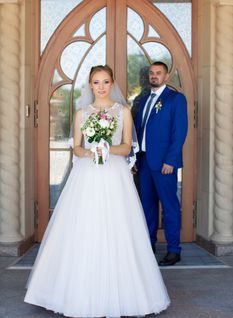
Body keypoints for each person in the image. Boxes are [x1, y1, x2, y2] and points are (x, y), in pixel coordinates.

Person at [24, 65, 170, 317]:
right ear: (90, 85)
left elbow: (127, 147)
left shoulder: (123, 111)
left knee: (118, 227)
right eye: (96, 82)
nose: (101, 87)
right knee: (84, 226)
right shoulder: (82, 113)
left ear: (112, 83)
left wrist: (107, 149)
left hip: (114, 175)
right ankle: (72, 292)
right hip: (87, 174)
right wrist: (91, 152)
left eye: (105, 82)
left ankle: (127, 292)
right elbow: (77, 148)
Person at [134, 61, 188, 266]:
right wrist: (135, 159)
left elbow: (179, 132)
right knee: (147, 205)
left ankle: (174, 250)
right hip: (146, 161)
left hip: (165, 163)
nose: (154, 76)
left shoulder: (175, 99)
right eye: (151, 73)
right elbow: (140, 132)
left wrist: (171, 160)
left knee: (169, 206)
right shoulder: (145, 100)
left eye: (158, 73)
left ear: (166, 77)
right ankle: (149, 245)